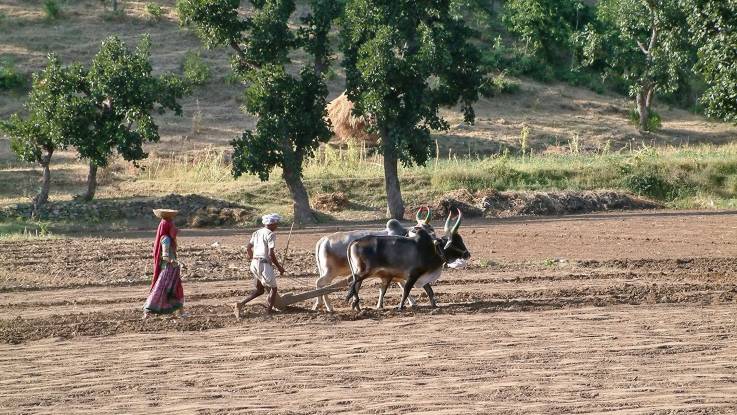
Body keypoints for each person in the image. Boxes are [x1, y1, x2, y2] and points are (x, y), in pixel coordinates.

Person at [233, 213, 286, 319]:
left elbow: (248, 248)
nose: (277, 226)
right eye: (276, 224)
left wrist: (254, 258)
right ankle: (268, 312)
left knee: (260, 290)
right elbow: (271, 254)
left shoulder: (256, 232)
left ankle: (240, 304)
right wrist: (279, 267)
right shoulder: (270, 234)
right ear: (271, 224)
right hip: (263, 265)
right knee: (273, 289)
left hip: (254, 264)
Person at [143, 209, 186, 319]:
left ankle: (180, 312)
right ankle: (147, 312)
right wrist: (174, 261)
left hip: (172, 269)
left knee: (174, 289)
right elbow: (165, 256)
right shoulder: (166, 239)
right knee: (161, 289)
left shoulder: (168, 238)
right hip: (168, 269)